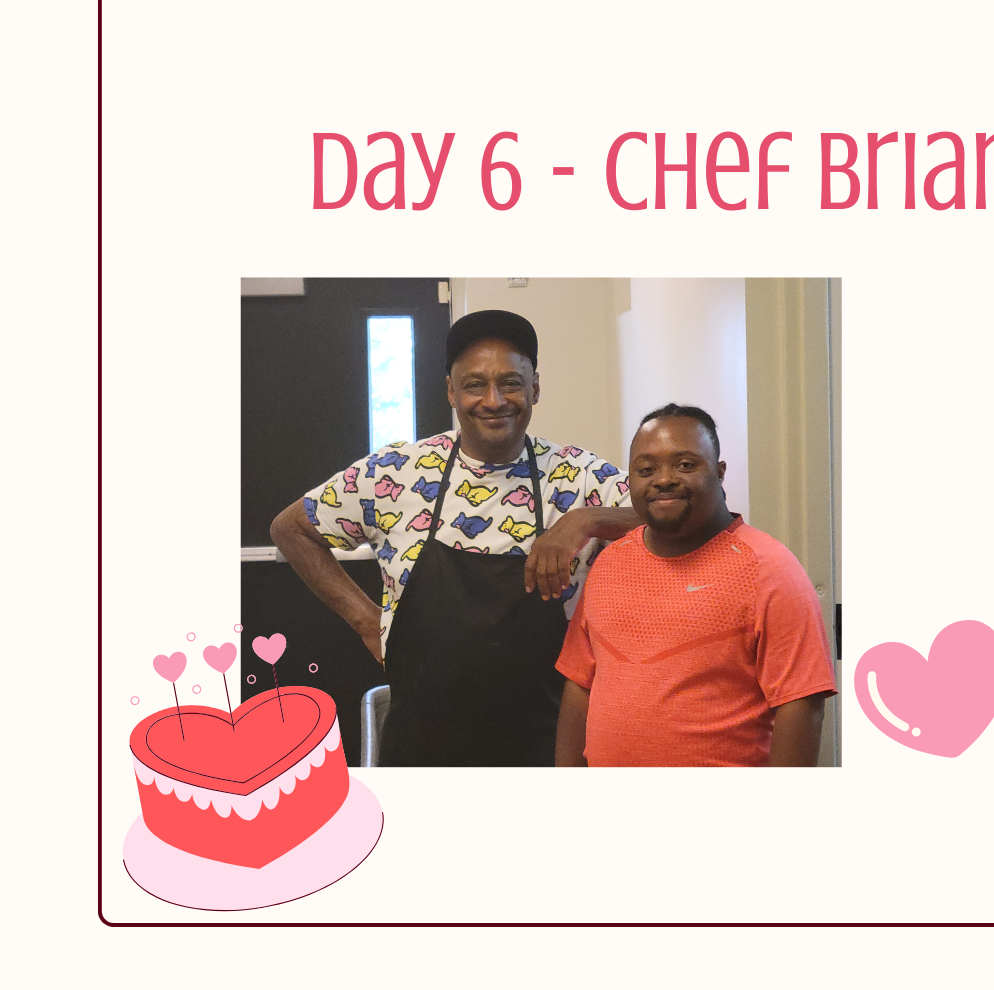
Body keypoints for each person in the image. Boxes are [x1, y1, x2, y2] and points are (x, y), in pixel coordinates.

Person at [269, 309, 640, 766]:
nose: (493, 400)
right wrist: (368, 623)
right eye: (473, 384)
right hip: (423, 753)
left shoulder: (579, 476)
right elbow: (290, 529)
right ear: (450, 391)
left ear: (535, 388)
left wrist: (586, 520)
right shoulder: (398, 473)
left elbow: (684, 515)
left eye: (510, 382)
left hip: (543, 749)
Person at [554, 404, 837, 767]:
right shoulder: (609, 563)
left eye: (685, 465)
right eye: (646, 469)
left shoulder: (770, 570)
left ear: (719, 473)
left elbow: (801, 706)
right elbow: (580, 684)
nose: (664, 479)